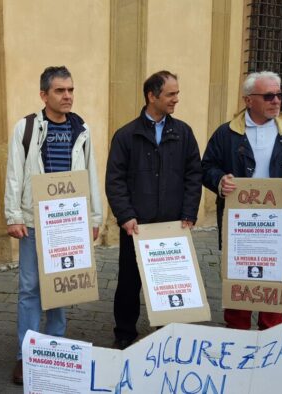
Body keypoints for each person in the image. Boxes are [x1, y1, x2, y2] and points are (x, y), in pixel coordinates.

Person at [202, 70, 282, 330]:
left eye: (280, 95)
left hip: (278, 221)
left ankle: (271, 333)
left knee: (275, 274)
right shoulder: (226, 134)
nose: (276, 101)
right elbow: (207, 167)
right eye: (269, 96)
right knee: (237, 273)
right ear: (248, 100)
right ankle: (237, 332)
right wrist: (220, 181)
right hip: (239, 221)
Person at [5, 66, 102, 385]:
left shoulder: (81, 129)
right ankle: (26, 355)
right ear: (44, 95)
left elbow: (90, 174)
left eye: (71, 90)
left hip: (69, 224)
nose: (68, 96)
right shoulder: (27, 127)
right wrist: (14, 215)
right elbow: (15, 173)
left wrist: (94, 218)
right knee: (30, 289)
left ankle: (55, 350)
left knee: (62, 287)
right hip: (34, 223)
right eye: (60, 91)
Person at [105, 70, 202, 349]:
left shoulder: (183, 133)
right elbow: (115, 180)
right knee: (129, 282)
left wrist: (188, 212)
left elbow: (193, 174)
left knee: (171, 281)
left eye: (176, 94)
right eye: (171, 94)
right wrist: (125, 216)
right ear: (152, 96)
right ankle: (124, 333)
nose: (176, 99)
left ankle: (167, 332)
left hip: (173, 223)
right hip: (136, 225)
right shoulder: (126, 135)